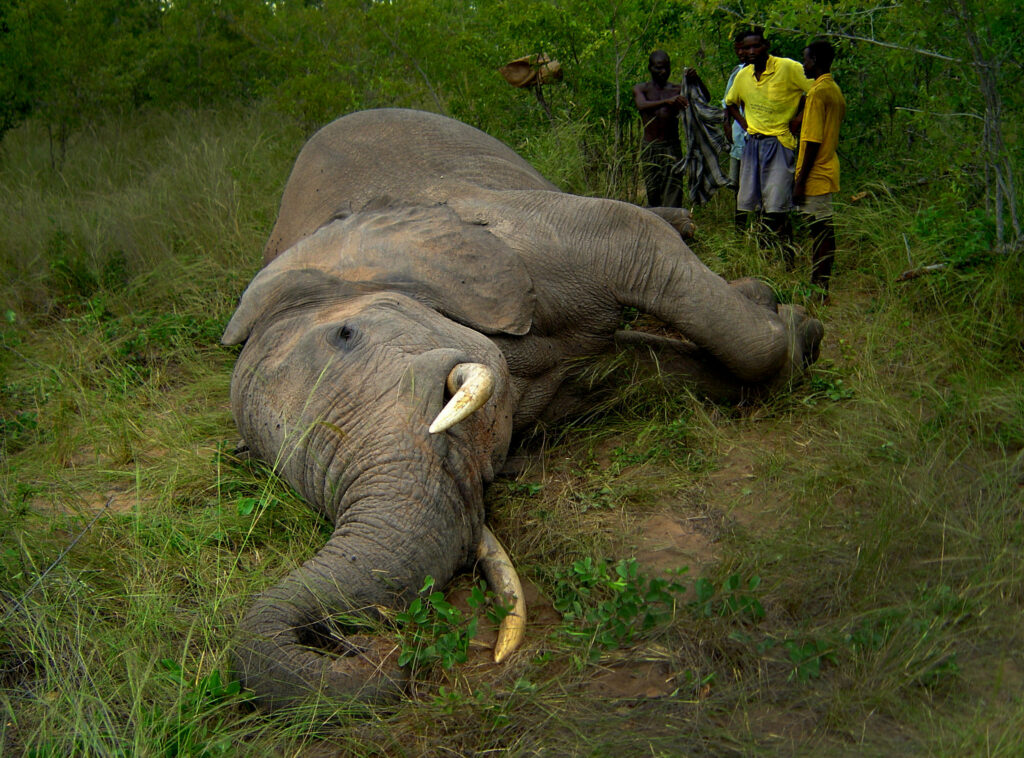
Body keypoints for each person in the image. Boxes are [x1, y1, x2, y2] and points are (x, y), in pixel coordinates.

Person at [724, 29, 813, 257]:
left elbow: (814, 91)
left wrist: (798, 119)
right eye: (747, 48)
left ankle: (787, 256)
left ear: (766, 46)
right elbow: (731, 103)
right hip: (753, 145)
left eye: (757, 46)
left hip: (780, 143)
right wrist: (745, 126)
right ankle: (760, 254)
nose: (752, 52)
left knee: (777, 206)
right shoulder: (743, 76)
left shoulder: (788, 68)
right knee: (751, 204)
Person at [793, 40, 846, 297]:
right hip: (826, 167)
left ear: (817, 60)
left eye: (807, 59)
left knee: (821, 231)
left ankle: (819, 287)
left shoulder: (817, 93)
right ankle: (819, 284)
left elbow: (813, 140)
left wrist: (800, 181)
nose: (804, 64)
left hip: (816, 172)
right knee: (822, 229)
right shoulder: (833, 89)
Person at [633, 50, 689, 208]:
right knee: (653, 192)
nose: (663, 72)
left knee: (673, 192)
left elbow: (703, 98)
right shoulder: (641, 89)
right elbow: (641, 105)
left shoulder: (677, 90)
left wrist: (695, 80)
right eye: (658, 68)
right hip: (650, 147)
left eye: (666, 67)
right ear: (650, 68)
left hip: (671, 147)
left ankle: (673, 229)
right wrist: (667, 102)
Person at [722, 32, 751, 228]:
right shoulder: (738, 72)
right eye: (738, 49)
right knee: (740, 189)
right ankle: (740, 231)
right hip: (740, 140)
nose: (741, 53)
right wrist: (728, 130)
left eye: (745, 48)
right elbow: (727, 105)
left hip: (762, 139)